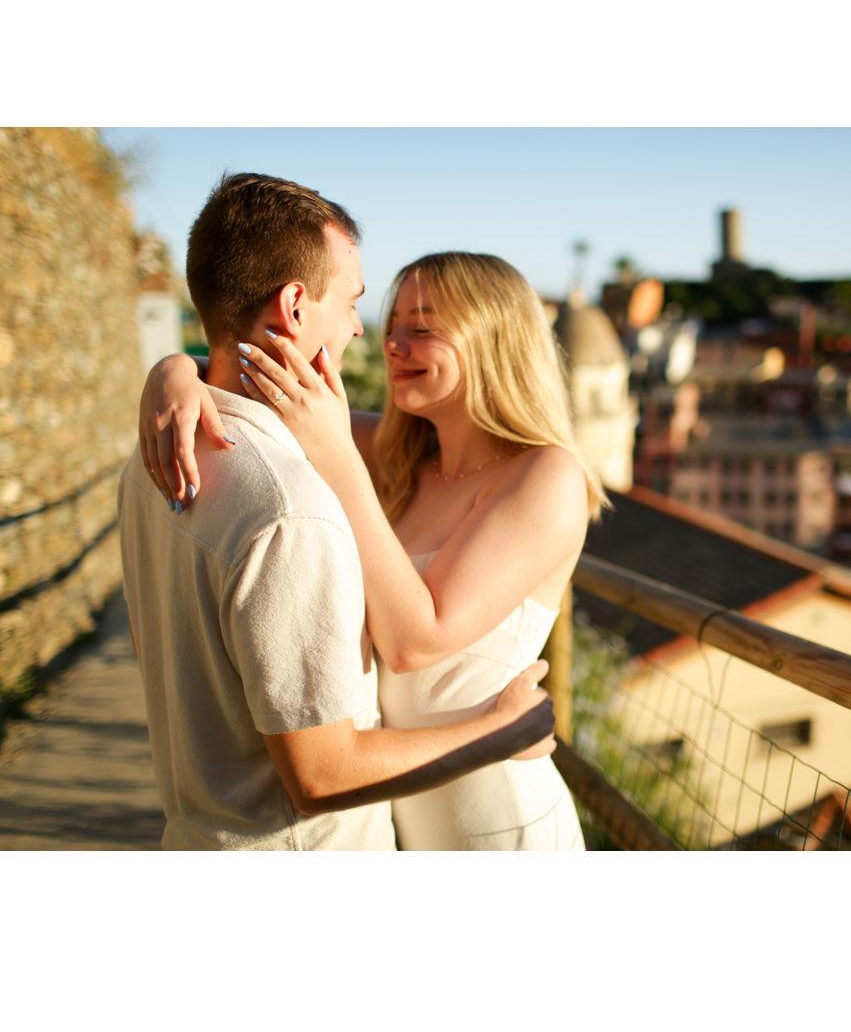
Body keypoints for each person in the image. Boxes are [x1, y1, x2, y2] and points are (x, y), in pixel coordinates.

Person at [120, 173, 555, 851]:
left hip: (490, 809)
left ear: (494, 339)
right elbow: (241, 373)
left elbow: (415, 640)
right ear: (296, 305)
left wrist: (187, 370)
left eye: (423, 328)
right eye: (379, 314)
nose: (379, 337)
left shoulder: (535, 473)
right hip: (385, 803)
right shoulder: (377, 453)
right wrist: (176, 370)